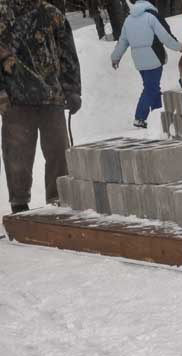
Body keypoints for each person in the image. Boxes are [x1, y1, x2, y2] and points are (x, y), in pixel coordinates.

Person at [0, 0, 82, 213]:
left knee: (58, 152)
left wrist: (72, 89)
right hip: (15, 101)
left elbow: (67, 53)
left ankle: (58, 202)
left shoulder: (51, 13)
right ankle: (19, 205)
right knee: (17, 156)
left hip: (51, 98)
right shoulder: (2, 12)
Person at [111, 0, 182, 129]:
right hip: (153, 56)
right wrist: (179, 47)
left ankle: (157, 117)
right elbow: (165, 36)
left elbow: (122, 41)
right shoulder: (150, 17)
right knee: (151, 89)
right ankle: (139, 118)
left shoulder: (128, 20)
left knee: (152, 87)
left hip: (139, 61)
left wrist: (115, 58)